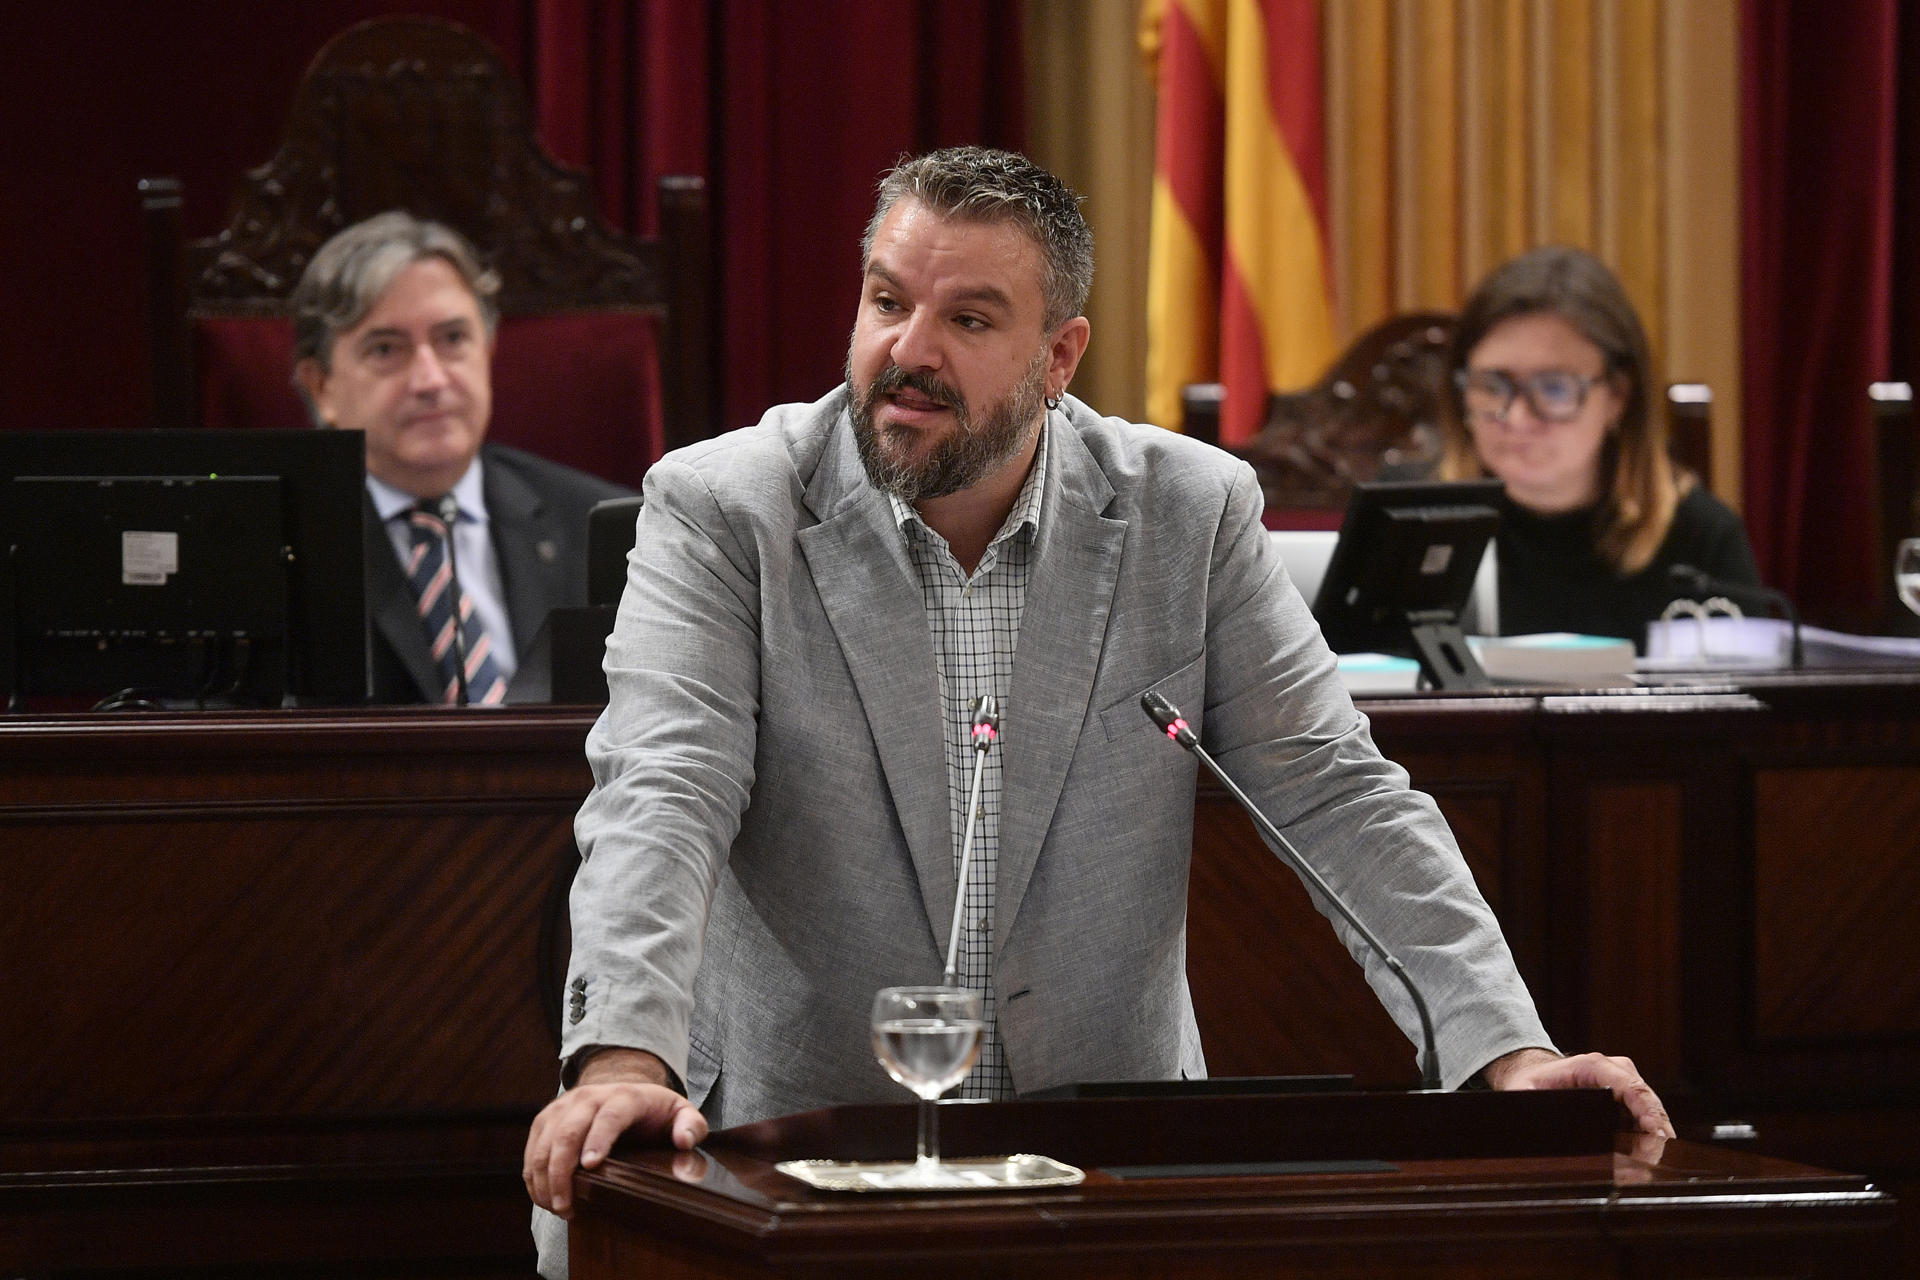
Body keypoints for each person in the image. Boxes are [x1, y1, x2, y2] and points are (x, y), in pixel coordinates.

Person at [523, 148, 1670, 1272]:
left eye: (969, 320)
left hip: (1113, 1169)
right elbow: (663, 790)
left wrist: (1505, 1052)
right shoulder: (726, 508)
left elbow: (1340, 796)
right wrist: (621, 1061)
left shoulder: (1190, 513)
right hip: (798, 1157)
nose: (906, 353)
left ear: (1060, 355)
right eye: (886, 300)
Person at [291, 212, 632, 704]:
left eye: (453, 339)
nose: (431, 380)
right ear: (321, 385)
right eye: (386, 349)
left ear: (488, 350)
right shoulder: (287, 550)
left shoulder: (602, 526)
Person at [1433, 245, 1760, 645]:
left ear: (1618, 396)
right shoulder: (1412, 524)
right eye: (1493, 385)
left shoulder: (1702, 540)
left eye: (1554, 388)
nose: (1517, 417)